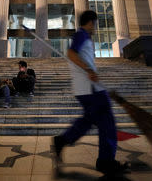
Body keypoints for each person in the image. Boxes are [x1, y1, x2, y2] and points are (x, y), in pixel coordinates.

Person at [52, 10, 127, 177]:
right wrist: (88, 70)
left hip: (86, 88)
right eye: (95, 23)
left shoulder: (84, 37)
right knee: (107, 121)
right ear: (91, 22)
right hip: (90, 88)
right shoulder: (81, 35)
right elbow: (71, 53)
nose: (96, 27)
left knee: (89, 119)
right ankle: (105, 162)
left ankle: (63, 140)